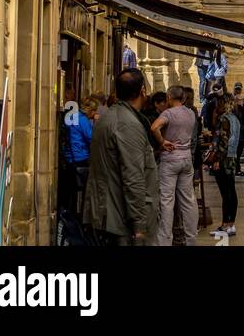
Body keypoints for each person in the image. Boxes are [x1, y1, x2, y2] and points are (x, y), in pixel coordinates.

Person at [84, 68, 158, 246]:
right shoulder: (127, 124)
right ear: (142, 91)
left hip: (109, 213)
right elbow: (133, 178)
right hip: (120, 219)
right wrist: (139, 227)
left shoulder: (108, 117)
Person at [151, 84, 199, 247]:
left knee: (166, 201)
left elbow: (155, 127)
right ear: (184, 98)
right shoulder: (191, 113)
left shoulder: (168, 113)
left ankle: (164, 240)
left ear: (169, 97)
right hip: (186, 158)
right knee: (188, 201)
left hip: (170, 158)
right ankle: (191, 238)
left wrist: (162, 141)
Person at [59, 95, 98, 216]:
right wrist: (96, 123)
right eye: (94, 111)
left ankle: (68, 214)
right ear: (90, 110)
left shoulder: (72, 117)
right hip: (80, 157)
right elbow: (92, 138)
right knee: (81, 190)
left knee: (69, 191)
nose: (95, 113)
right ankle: (78, 216)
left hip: (69, 157)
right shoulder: (83, 121)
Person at [208, 94, 240, 239]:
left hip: (223, 159)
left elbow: (223, 141)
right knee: (231, 191)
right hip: (232, 158)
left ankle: (225, 225)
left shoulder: (223, 119)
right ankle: (230, 224)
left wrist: (217, 159)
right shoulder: (235, 119)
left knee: (225, 193)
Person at [232, 83, 244, 174]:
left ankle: (237, 169)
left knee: (238, 153)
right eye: (236, 90)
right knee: (236, 153)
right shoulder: (233, 108)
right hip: (237, 133)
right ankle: (236, 169)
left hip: (241, 133)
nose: (238, 91)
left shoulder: (243, 106)